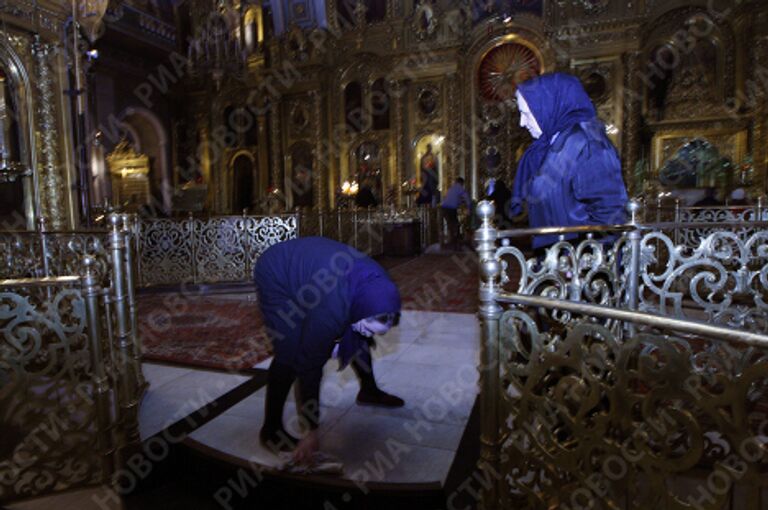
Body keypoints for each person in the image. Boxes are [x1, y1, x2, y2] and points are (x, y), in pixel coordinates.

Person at [253, 237, 404, 463]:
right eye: (371, 326)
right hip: (277, 271)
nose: (374, 334)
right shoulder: (332, 307)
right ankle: (271, 429)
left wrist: (359, 331)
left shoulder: (379, 284)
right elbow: (310, 366)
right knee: (291, 350)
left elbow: (361, 328)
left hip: (315, 269)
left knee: (357, 334)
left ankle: (369, 390)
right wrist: (311, 430)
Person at [509, 73, 628, 249]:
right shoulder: (553, 143)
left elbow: (610, 216)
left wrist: (583, 265)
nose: (522, 122)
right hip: (556, 262)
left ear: (548, 106)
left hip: (578, 268)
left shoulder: (588, 143)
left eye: (526, 113)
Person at [441, 177, 471, 250]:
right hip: (451, 209)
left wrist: (459, 202)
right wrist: (469, 207)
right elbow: (467, 198)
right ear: (461, 183)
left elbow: (453, 199)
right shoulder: (460, 188)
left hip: (444, 208)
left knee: (450, 225)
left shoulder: (451, 188)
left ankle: (452, 241)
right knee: (455, 224)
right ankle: (455, 242)